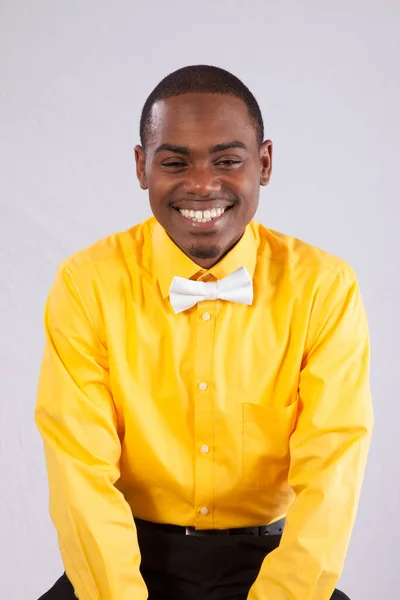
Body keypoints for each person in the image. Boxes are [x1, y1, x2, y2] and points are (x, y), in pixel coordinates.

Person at [35, 65, 373, 600]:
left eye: (227, 160)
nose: (201, 184)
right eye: (174, 162)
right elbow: (80, 473)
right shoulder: (86, 284)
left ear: (263, 163)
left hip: (275, 569)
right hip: (128, 564)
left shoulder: (324, 289)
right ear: (142, 167)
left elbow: (332, 474)